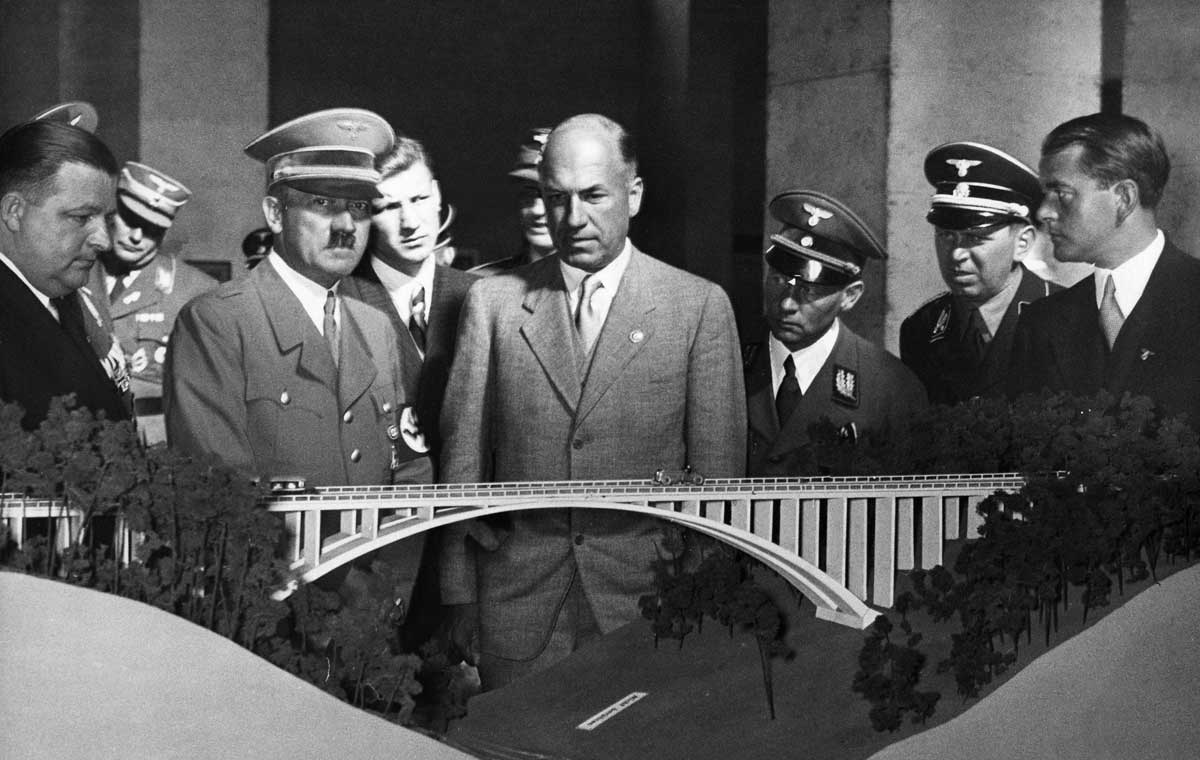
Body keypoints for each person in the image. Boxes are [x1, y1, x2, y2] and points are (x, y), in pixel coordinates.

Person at [438, 113, 746, 688]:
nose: (572, 218)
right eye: (555, 198)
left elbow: (718, 485)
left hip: (649, 608)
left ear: (634, 195)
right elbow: (463, 466)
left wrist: (702, 599)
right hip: (517, 611)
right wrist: (459, 594)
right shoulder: (493, 304)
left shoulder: (697, 308)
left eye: (593, 196)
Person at [165, 108, 432, 489]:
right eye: (323, 204)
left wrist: (390, 550)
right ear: (275, 214)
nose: (345, 227)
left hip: (377, 548)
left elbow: (409, 470)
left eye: (359, 207)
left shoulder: (376, 328)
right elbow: (216, 487)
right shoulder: (218, 322)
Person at [1010, 113, 1200, 425]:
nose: (1043, 211)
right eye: (1046, 195)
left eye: (1063, 194)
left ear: (1124, 198)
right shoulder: (1040, 324)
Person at [745, 189, 927, 476]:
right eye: (778, 279)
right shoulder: (730, 363)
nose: (787, 303)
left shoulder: (891, 388)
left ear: (850, 296)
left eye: (809, 290)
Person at [342, 137, 477, 470]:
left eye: (419, 199)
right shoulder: (339, 300)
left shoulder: (481, 296)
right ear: (362, 215)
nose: (411, 222)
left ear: (438, 195)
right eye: (388, 208)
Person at [0, 103, 132, 429]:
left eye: (105, 218)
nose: (103, 240)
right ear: (14, 212)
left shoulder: (62, 299)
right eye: (80, 217)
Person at [900, 142, 1059, 404]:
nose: (956, 254)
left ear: (1022, 244)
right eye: (946, 235)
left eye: (975, 238)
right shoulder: (921, 328)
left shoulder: (1068, 319)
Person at [99, 161, 215, 444]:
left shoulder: (197, 292)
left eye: (151, 229)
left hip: (157, 443)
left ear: (164, 232)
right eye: (130, 220)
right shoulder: (74, 276)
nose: (136, 237)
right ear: (111, 214)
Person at [470, 127, 555, 276]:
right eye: (529, 194)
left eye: (552, 195)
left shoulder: (603, 285)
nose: (537, 210)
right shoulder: (479, 284)